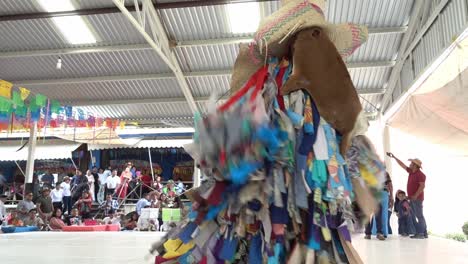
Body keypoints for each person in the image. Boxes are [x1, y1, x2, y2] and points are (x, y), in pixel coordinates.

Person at [388, 153, 427, 239]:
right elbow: (402, 165)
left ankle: (421, 234)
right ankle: (423, 233)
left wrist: (415, 196)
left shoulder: (421, 175)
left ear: (415, 165)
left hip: (417, 199)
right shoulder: (411, 171)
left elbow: (422, 186)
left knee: (419, 215)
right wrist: (394, 157)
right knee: (416, 215)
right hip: (412, 198)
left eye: (412, 163)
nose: (410, 164)